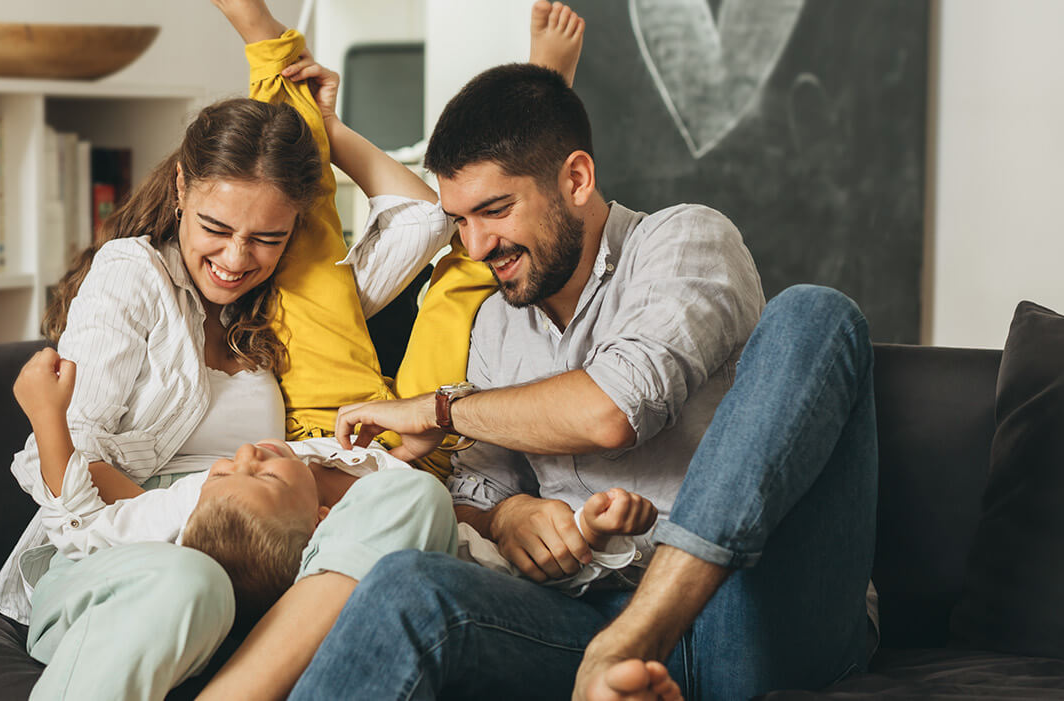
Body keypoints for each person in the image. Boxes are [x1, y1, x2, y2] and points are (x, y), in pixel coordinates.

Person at [288, 2, 881, 700]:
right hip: (590, 621)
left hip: (749, 612)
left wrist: (441, 407)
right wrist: (508, 517)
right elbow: (478, 497)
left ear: (575, 179)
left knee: (817, 312)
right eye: (459, 221)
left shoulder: (684, 241)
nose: (476, 248)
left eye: (496, 210)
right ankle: (619, 655)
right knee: (407, 585)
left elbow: (614, 410)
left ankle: (635, 641)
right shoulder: (496, 326)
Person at [0, 1, 490, 696]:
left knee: (414, 498)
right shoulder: (133, 275)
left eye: (267, 237)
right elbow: (73, 457)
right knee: (189, 579)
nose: (234, 259)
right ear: (182, 187)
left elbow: (421, 220)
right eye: (216, 227)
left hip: (262, 539)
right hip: (122, 551)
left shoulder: (280, 296)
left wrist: (327, 131)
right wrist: (198, 514)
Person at [12, 347, 661, 623]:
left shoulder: (192, 509)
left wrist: (46, 417)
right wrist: (584, 531)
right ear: (322, 517)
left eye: (224, 467)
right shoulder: (374, 532)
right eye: (263, 470)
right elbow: (496, 558)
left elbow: (85, 523)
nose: (243, 453)